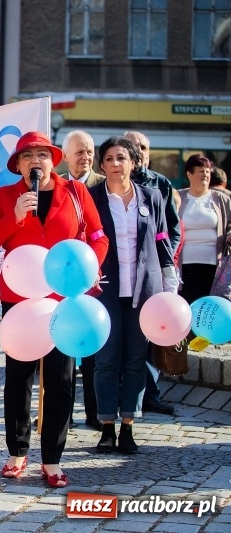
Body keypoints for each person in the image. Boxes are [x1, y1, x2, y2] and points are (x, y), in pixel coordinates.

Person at [0, 131, 108, 487]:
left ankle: (52, 459)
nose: (36, 161)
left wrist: (89, 267)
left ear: (53, 160)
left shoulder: (75, 193)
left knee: (61, 380)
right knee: (18, 379)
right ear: (18, 165)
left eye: (42, 154)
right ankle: (17, 452)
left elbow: (98, 237)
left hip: (63, 300)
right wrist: (15, 217)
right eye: (27, 156)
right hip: (20, 301)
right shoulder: (6, 196)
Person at [89, 137, 178, 454]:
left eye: (122, 158)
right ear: (102, 165)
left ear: (133, 162)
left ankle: (128, 425)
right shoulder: (93, 198)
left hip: (145, 291)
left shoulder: (152, 197)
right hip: (106, 290)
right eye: (109, 158)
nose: (116, 164)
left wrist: (170, 286)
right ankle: (106, 427)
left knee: (136, 360)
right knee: (106, 360)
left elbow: (163, 241)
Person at [123, 130, 180, 416]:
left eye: (143, 147)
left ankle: (149, 395)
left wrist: (164, 262)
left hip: (151, 273)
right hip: (121, 273)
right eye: (133, 147)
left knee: (148, 335)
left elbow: (171, 230)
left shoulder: (161, 184)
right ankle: (122, 395)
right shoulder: (113, 181)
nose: (139, 152)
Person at [61, 129, 104, 431]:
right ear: (65, 156)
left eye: (89, 151)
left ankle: (94, 412)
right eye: (79, 152)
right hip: (61, 277)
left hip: (95, 279)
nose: (85, 157)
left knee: (91, 349)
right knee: (61, 347)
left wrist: (94, 266)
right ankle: (60, 413)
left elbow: (104, 233)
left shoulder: (103, 185)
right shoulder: (56, 186)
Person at [176, 155, 231, 304]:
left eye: (207, 171)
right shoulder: (177, 197)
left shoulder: (222, 199)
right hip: (183, 267)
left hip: (213, 266)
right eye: (201, 171)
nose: (205, 175)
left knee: (209, 305)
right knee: (187, 304)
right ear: (189, 174)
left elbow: (229, 225)